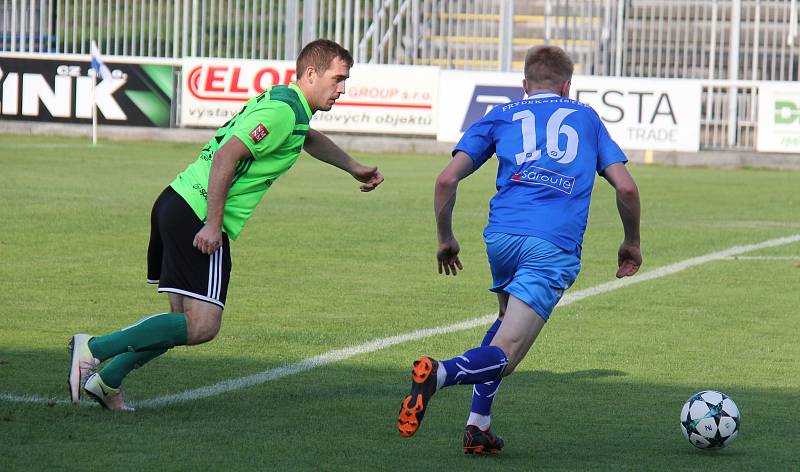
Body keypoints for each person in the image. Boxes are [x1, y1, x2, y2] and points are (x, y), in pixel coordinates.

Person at [68, 39, 384, 410]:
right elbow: (226, 156)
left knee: (180, 321)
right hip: (199, 213)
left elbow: (308, 138)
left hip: (177, 201)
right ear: (311, 74)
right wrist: (213, 225)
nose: (343, 89)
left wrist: (354, 167)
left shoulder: (288, 102)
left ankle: (107, 381)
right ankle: (93, 347)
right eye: (338, 78)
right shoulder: (283, 113)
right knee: (202, 326)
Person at [397, 45, 641, 454]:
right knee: (507, 354)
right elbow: (627, 187)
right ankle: (438, 374)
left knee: (505, 321)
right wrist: (631, 241)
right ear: (567, 86)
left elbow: (445, 180)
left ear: (524, 85)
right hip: (552, 243)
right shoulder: (587, 118)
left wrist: (445, 238)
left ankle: (479, 426)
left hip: (502, 238)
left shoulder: (500, 115)